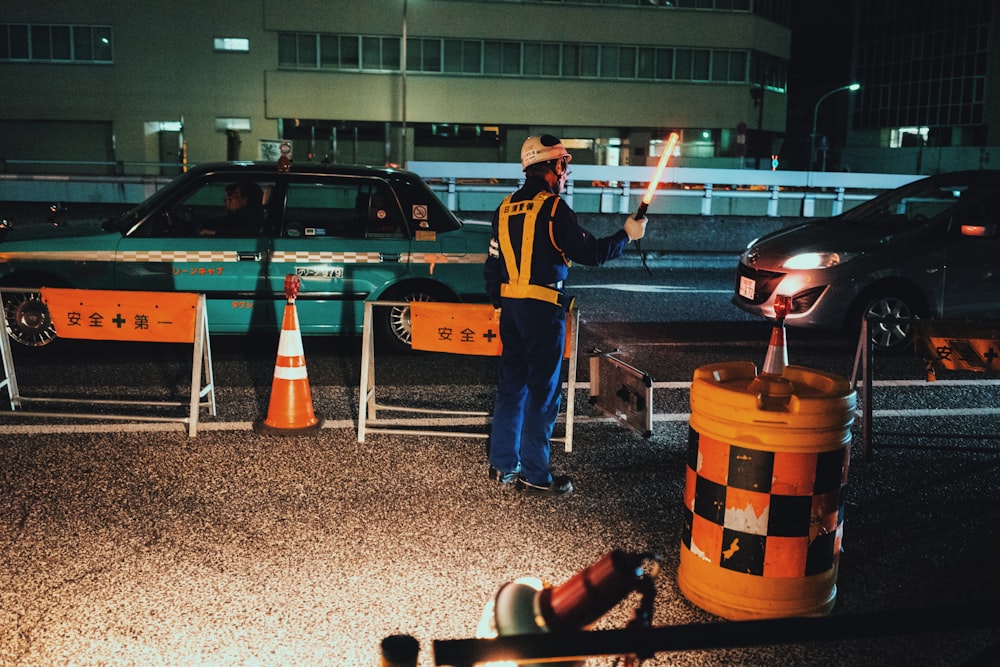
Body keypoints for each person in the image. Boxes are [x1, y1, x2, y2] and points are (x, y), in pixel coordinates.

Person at [484, 135, 647, 496]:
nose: (566, 172)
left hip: (510, 310)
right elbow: (591, 253)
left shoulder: (504, 208)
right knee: (543, 393)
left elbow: (492, 265)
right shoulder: (555, 209)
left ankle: (503, 465)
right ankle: (536, 475)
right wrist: (627, 234)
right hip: (542, 310)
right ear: (554, 167)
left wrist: (503, 301)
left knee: (511, 387)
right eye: (564, 165)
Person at [199, 181, 264, 237]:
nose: (229, 200)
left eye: (235, 196)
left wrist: (214, 232)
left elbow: (242, 232)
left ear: (246, 200)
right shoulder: (236, 217)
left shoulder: (252, 219)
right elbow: (221, 222)